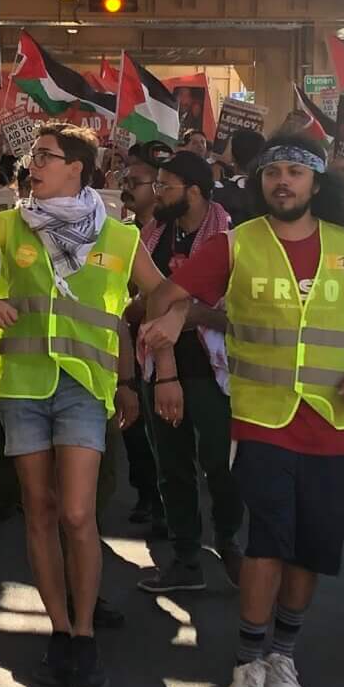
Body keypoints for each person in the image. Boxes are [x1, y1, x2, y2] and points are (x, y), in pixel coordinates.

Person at [138, 130, 344, 687]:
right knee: (267, 540)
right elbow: (168, 294)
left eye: (294, 171)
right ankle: (248, 662)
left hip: (334, 423)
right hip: (261, 419)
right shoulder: (238, 244)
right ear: (259, 183)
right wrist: (171, 322)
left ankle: (283, 654)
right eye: (272, 172)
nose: (282, 181)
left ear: (317, 182)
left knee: (309, 550)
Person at [0, 123, 165, 687]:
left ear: (79, 169)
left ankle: (85, 632)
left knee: (76, 514)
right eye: (30, 156)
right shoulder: (4, 224)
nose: (32, 165)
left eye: (46, 156)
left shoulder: (119, 237)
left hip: (83, 391)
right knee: (39, 512)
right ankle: (62, 631)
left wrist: (154, 331)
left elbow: (160, 295)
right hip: (22, 386)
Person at [136, 150, 240, 595]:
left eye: (167, 186)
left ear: (194, 192)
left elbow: (238, 315)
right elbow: (137, 300)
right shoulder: (153, 234)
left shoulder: (232, 241)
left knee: (221, 464)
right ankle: (184, 557)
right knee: (172, 466)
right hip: (158, 370)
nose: (158, 193)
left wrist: (186, 313)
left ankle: (231, 542)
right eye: (156, 185)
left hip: (212, 371)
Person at [112, 149, 168, 532]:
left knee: (160, 430)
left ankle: (165, 501)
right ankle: (147, 492)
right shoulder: (121, 232)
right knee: (131, 427)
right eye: (125, 182)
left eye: (136, 183)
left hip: (162, 347)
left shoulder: (169, 234)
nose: (127, 189)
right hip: (125, 344)